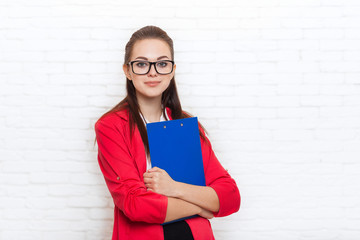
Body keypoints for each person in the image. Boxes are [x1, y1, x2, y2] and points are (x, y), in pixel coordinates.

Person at [94, 25, 240, 240]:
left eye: (162, 63)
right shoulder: (111, 126)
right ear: (127, 70)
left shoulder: (186, 125)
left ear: (172, 70)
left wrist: (174, 188)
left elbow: (230, 197)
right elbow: (136, 205)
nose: (153, 72)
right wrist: (201, 207)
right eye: (142, 64)